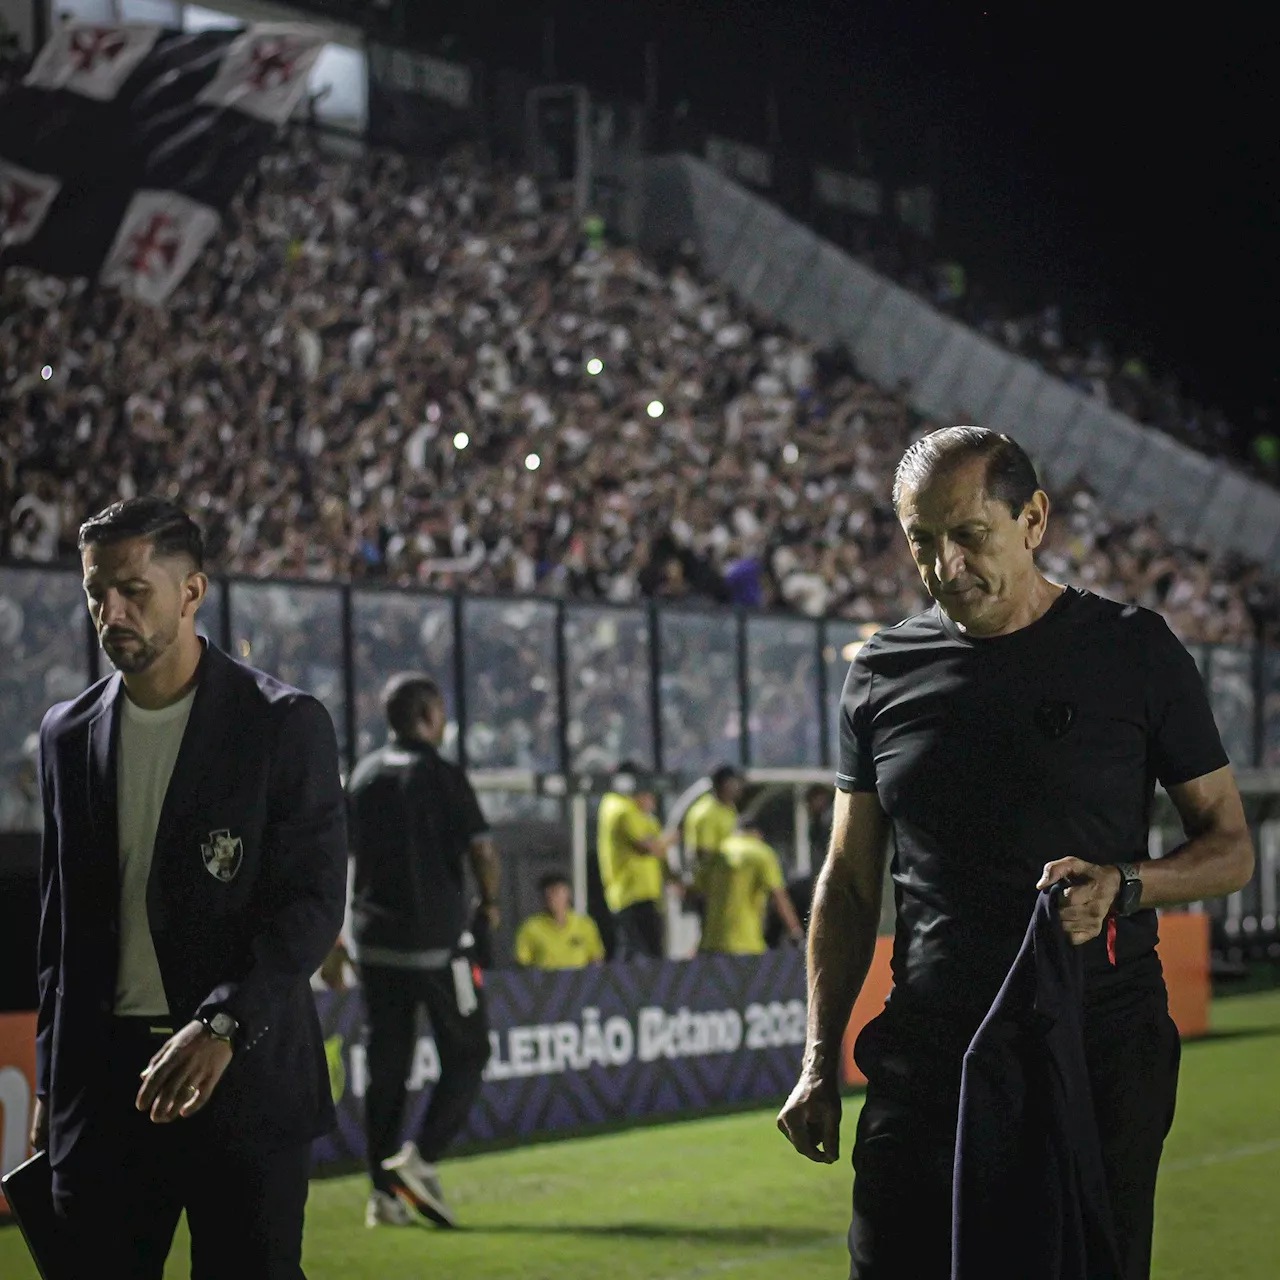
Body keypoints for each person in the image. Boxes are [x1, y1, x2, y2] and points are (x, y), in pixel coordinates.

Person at [777, 426, 1255, 1280]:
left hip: (1094, 1047)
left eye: (969, 536)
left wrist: (1129, 884)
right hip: (928, 1057)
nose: (944, 566)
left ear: (1032, 520)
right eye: (922, 541)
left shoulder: (1134, 651)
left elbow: (1230, 849)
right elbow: (849, 887)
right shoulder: (882, 673)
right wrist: (818, 1061)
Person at [32, 497, 347, 1278]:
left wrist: (223, 1024)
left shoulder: (282, 724)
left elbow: (312, 905)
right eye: (95, 593)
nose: (110, 612)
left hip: (238, 1080)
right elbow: (58, 929)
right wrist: (51, 1077)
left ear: (192, 593)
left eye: (134, 589)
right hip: (103, 1094)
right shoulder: (65, 735)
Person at [335, 672, 500, 1230]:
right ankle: (419, 1159)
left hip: (376, 947)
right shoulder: (442, 775)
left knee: (387, 1068)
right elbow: (483, 851)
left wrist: (337, 935)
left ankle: (380, 1196)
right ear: (429, 716)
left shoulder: (362, 775)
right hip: (437, 946)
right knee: (470, 1052)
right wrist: (491, 905)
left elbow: (339, 856)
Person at [597, 763, 679, 960]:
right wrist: (674, 837)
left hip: (646, 894)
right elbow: (650, 847)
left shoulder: (640, 812)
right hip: (630, 894)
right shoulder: (619, 807)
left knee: (646, 952)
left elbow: (658, 851)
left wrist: (671, 879)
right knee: (637, 953)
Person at [698, 829, 805, 955]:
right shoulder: (761, 853)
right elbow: (778, 895)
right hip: (747, 943)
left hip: (711, 943)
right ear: (758, 833)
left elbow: (700, 893)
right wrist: (796, 933)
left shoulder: (718, 851)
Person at [514, 872, 606, 970]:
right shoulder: (530, 927)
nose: (553, 898)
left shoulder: (585, 924)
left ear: (567, 893)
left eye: (556, 892)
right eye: (548, 894)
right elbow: (521, 965)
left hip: (580, 982)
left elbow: (597, 959)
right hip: (544, 983)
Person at [682, 764, 743, 889]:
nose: (738, 788)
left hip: (727, 879)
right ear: (725, 785)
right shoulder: (706, 812)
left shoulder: (729, 808)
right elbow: (705, 853)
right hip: (711, 883)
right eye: (735, 783)